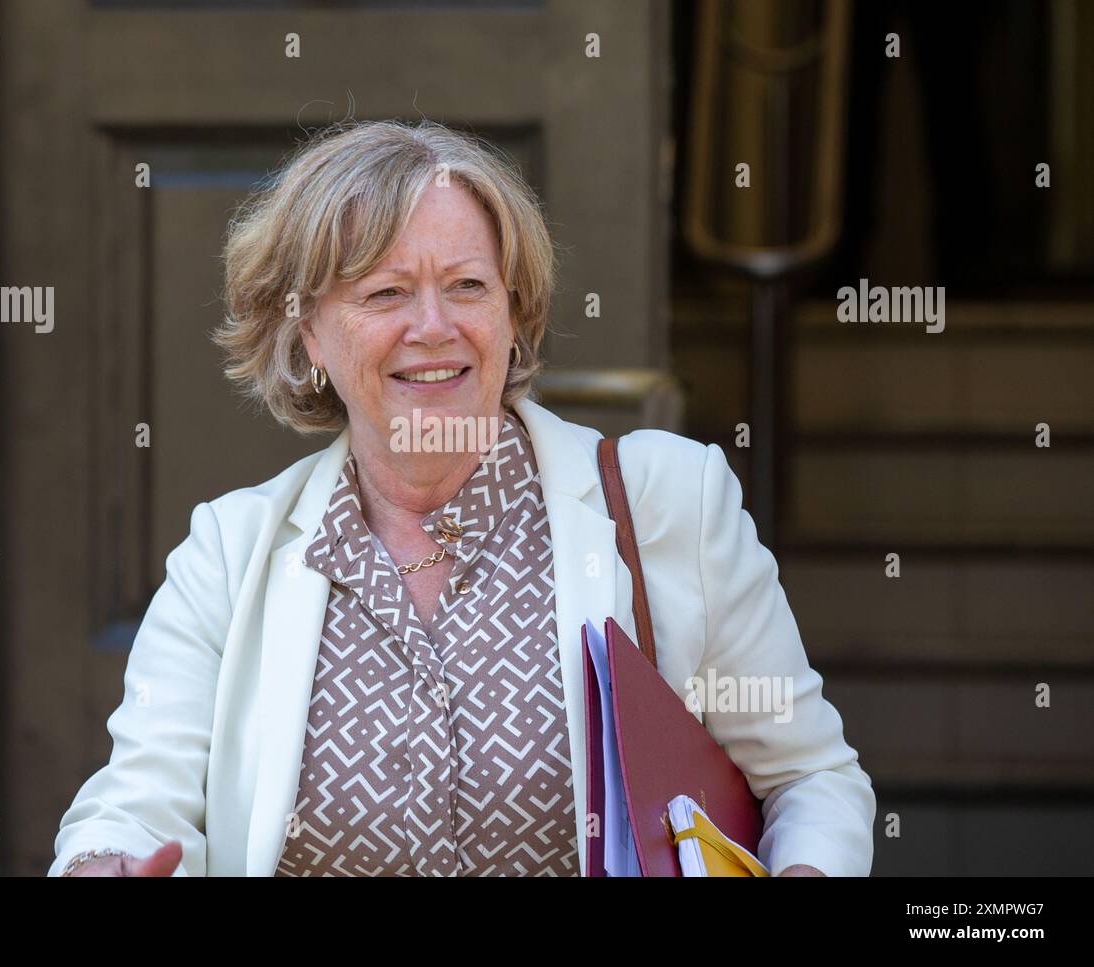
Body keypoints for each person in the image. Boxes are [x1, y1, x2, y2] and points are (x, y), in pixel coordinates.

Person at [50, 119, 875, 877]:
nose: (434, 325)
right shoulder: (229, 554)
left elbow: (810, 777)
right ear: (308, 334)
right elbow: (136, 797)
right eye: (385, 293)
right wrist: (104, 862)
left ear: (514, 312)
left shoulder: (668, 502)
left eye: (469, 285)